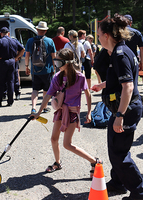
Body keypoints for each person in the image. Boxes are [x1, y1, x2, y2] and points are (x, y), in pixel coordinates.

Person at [92, 14, 143, 200]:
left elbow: (128, 86)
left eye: (99, 34)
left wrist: (120, 115)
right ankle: (118, 183)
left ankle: (141, 192)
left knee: (119, 153)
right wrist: (102, 86)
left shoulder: (120, 54)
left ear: (107, 35)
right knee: (115, 148)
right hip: (122, 108)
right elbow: (121, 80)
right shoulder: (120, 51)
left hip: (126, 109)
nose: (98, 37)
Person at [30, 48, 101, 177]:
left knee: (67, 144)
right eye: (56, 62)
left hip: (73, 112)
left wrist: (89, 112)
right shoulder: (58, 77)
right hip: (60, 110)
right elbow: (47, 96)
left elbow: (88, 94)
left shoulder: (80, 77)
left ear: (67, 63)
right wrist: (38, 112)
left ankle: (94, 161)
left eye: (58, 62)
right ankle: (57, 163)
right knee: (53, 139)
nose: (56, 65)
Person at [25, 21, 56, 114]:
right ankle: (44, 107)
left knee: (35, 90)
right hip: (47, 70)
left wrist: (27, 66)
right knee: (46, 90)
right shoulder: (50, 41)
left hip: (35, 70)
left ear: (37, 30)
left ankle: (33, 108)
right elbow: (54, 56)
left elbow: (27, 56)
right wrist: (54, 68)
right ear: (45, 31)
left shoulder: (30, 41)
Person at [0, 27, 25, 107]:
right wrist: (17, 58)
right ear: (8, 33)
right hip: (12, 61)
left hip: (3, 62)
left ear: (1, 34)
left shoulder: (0, 40)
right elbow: (22, 49)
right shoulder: (14, 40)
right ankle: (10, 101)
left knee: (0, 82)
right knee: (10, 81)